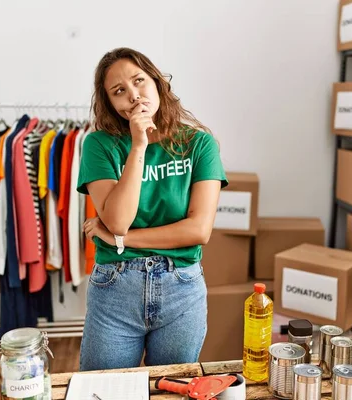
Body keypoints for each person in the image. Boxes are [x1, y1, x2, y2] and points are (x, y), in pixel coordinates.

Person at [76, 47, 228, 371]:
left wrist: (123, 241)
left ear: (157, 82)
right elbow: (118, 220)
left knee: (171, 390)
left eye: (138, 81)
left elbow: (198, 231)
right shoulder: (98, 145)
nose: (133, 95)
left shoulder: (200, 145)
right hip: (115, 290)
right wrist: (139, 146)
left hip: (181, 291)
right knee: (104, 392)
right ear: (111, 104)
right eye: (119, 91)